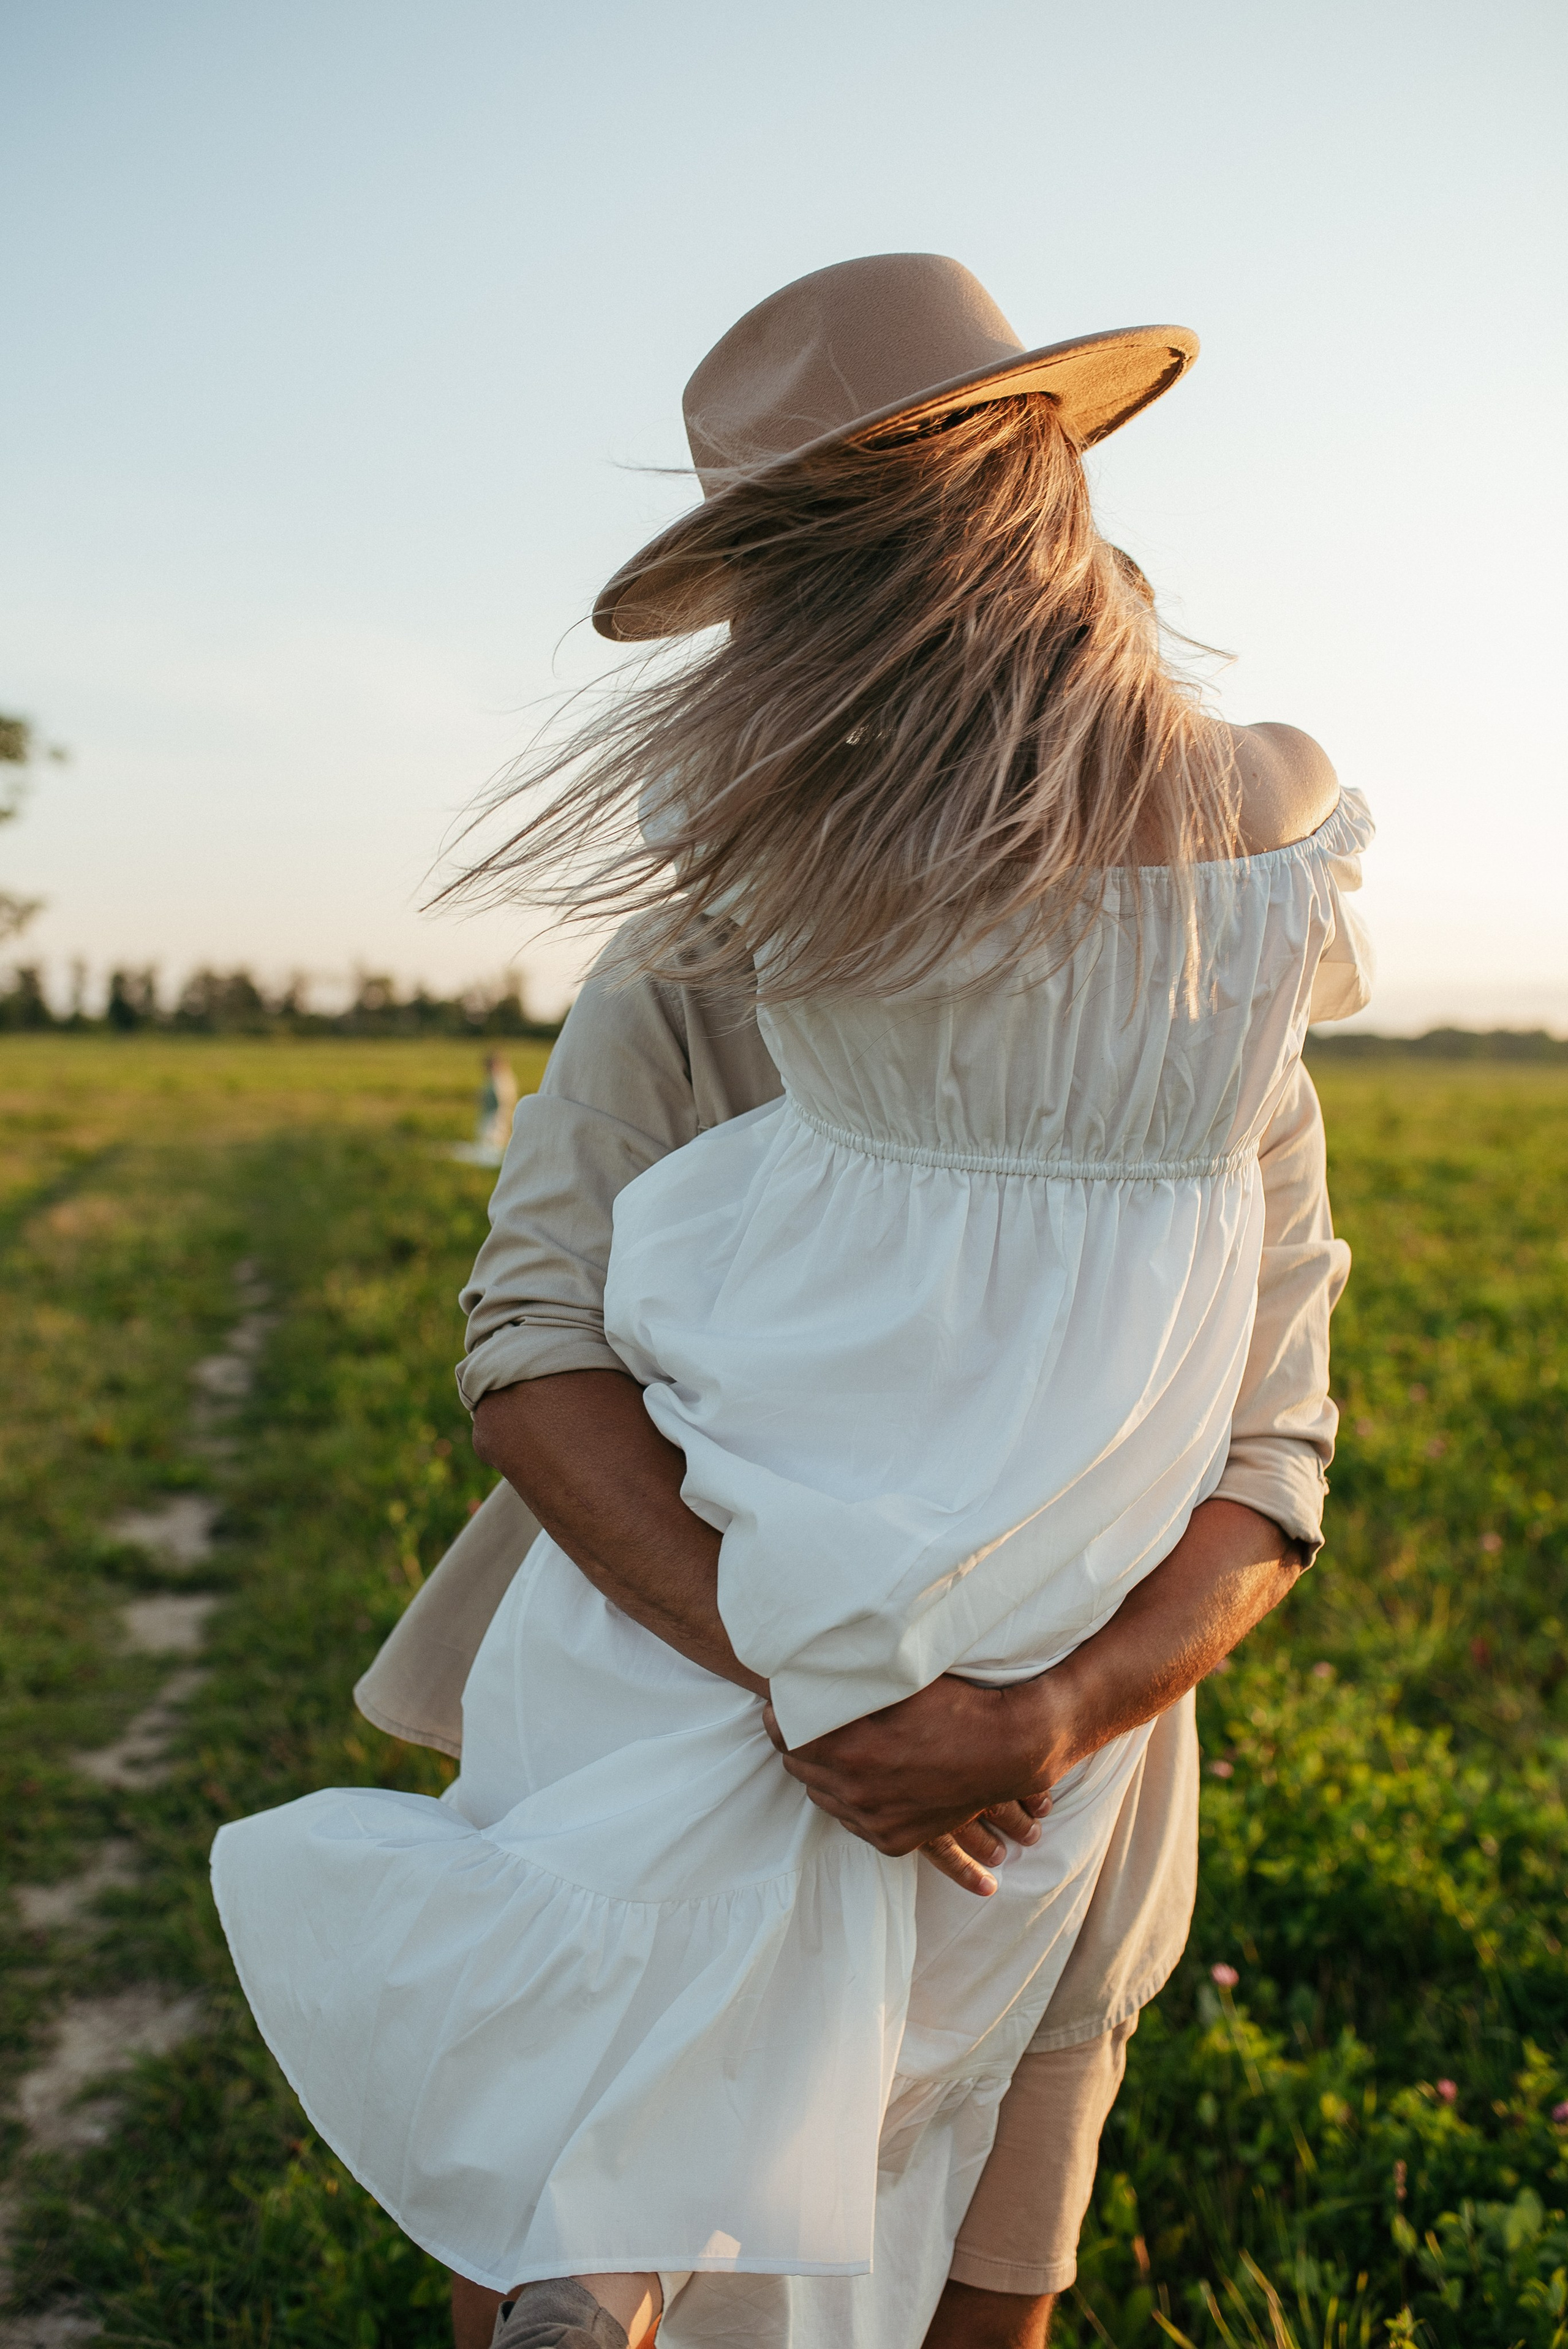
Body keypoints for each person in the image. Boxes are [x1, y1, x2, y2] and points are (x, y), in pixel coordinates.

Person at [213, 254, 1373, 2349]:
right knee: (632, 2107)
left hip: (1045, 1768)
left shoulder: (1207, 971)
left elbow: (1275, 1439)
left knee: (865, 2224)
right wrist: (834, 1694)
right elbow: (533, 1342)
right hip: (763, 1684)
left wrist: (1032, 1717)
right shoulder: (722, 935)